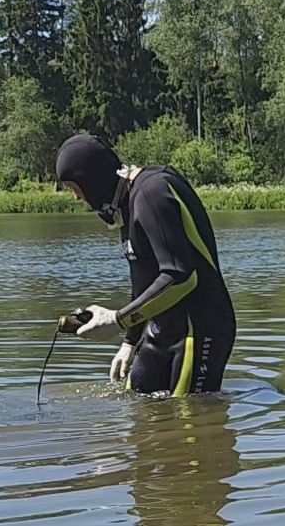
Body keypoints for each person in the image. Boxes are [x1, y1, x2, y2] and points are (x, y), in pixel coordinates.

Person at [55, 134, 235, 396]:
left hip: (199, 330)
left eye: (75, 188)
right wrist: (129, 342)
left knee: (189, 422)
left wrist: (118, 320)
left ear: (91, 179)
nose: (76, 198)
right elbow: (144, 282)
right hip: (161, 330)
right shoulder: (127, 204)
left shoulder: (153, 192)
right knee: (137, 414)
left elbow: (180, 276)